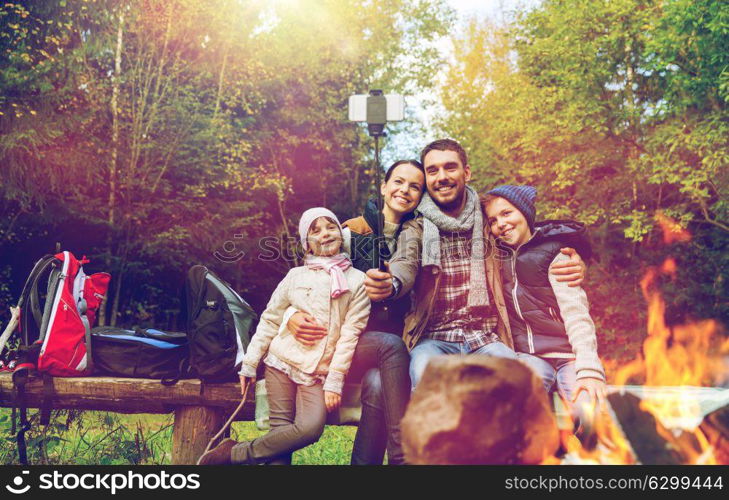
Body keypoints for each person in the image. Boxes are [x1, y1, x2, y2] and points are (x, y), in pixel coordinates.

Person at [364, 139, 587, 390]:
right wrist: (392, 283)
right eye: (433, 170)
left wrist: (569, 253)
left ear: (466, 173)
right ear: (426, 178)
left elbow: (527, 233)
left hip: (487, 338)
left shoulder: (488, 218)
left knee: (516, 384)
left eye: (450, 167)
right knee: (425, 379)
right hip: (434, 339)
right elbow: (405, 261)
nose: (442, 177)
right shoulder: (417, 227)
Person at [197, 207, 370, 465]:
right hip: (281, 362)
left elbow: (350, 334)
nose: (325, 234)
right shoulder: (295, 276)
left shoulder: (357, 280)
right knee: (280, 435)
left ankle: (232, 453)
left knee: (310, 428)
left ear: (341, 233)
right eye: (316, 230)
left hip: (317, 373)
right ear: (306, 245)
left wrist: (334, 380)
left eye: (331, 227)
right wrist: (250, 362)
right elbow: (270, 319)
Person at [286, 160, 425, 465]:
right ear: (384, 187)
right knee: (387, 352)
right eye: (398, 182)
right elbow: (302, 283)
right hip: (348, 344)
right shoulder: (349, 232)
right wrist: (291, 317)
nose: (405, 190)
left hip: (393, 352)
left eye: (415, 186)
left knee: (376, 384)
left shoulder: (421, 235)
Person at [483, 185, 607, 410]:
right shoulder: (495, 259)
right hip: (529, 356)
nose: (500, 224)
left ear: (525, 213)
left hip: (569, 354)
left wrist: (589, 368)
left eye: (506, 213)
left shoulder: (555, 254)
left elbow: (576, 313)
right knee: (517, 408)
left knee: (588, 413)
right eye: (492, 220)